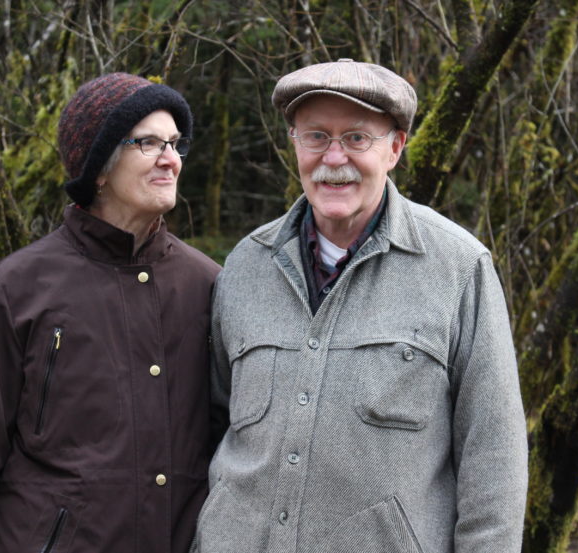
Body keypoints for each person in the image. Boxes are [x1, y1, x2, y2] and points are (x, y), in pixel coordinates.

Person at [194, 59, 528, 553]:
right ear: (294, 143)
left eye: (356, 138)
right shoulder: (245, 266)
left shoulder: (457, 267)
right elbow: (211, 422)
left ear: (395, 147)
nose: (334, 158)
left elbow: (494, 454)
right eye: (316, 137)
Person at [0, 72, 220, 553]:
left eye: (175, 143)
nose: (171, 159)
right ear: (98, 168)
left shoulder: (208, 285)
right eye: (147, 143)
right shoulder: (18, 288)